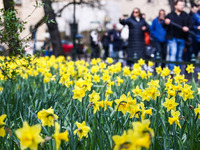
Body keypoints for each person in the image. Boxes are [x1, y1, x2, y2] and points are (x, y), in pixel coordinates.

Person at [162, 0, 192, 70]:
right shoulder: (170, 15)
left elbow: (191, 25)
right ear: (175, 6)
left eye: (183, 5)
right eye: (180, 5)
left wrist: (187, 28)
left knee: (179, 55)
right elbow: (163, 25)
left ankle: (178, 70)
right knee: (173, 53)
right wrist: (166, 22)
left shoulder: (186, 15)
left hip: (182, 38)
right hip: (172, 38)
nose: (182, 6)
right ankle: (172, 70)